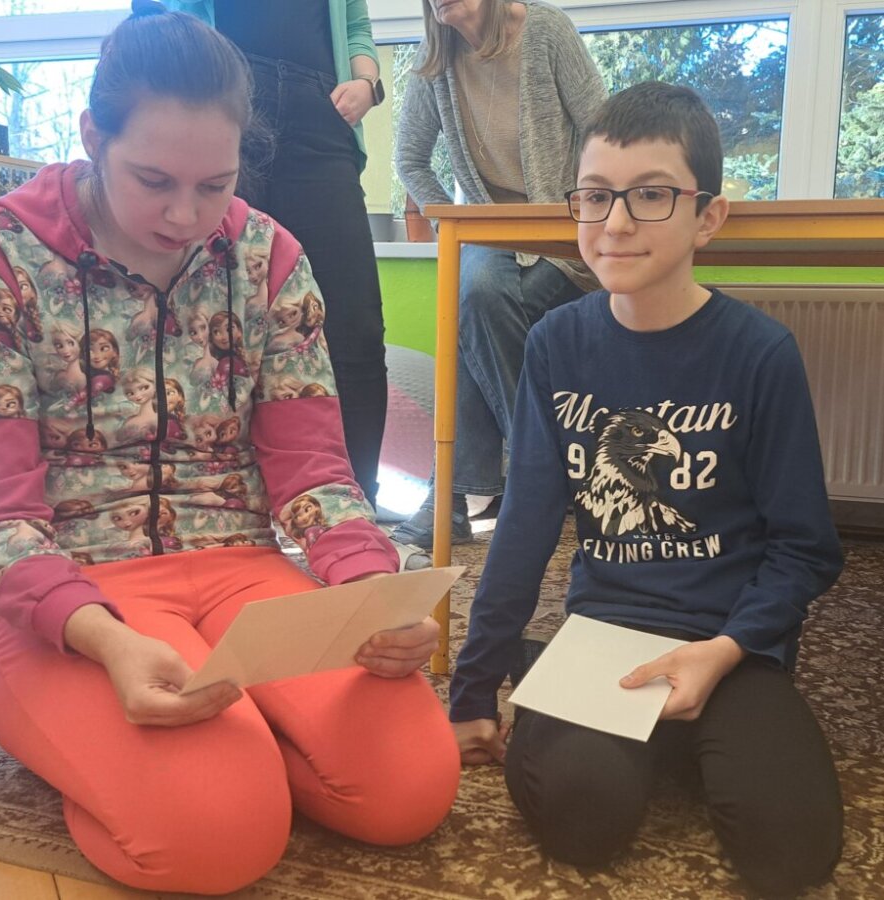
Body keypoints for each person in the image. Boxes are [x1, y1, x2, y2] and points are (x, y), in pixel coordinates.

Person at [0, 4, 459, 894]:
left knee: (410, 790)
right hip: (73, 598)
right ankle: (161, 752)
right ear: (92, 137)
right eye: (153, 180)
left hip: (242, 572)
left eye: (215, 184)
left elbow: (314, 472)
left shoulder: (267, 256)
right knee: (217, 838)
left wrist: (369, 590)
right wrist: (104, 642)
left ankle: (235, 745)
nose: (186, 215)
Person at [447, 81, 844, 897]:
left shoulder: (759, 353)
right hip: (605, 639)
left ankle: (683, 736)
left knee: (792, 853)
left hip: (729, 643)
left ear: (708, 216)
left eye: (651, 195)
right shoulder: (556, 344)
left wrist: (726, 652)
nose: (616, 222)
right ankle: (562, 692)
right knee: (581, 821)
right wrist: (472, 685)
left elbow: (804, 548)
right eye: (595, 196)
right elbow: (523, 526)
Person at [392, 0, 607, 548]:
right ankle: (548, 472)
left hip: (564, 235)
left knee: (473, 301)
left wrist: (590, 213)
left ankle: (453, 497)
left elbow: (603, 133)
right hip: (490, 234)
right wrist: (452, 221)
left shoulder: (545, 30)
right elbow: (409, 160)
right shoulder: (434, 60)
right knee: (477, 291)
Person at [170, 0, 388, 510]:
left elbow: (355, 24)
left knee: (355, 329)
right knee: (214, 319)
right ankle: (220, 504)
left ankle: (356, 508)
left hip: (322, 118)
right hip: (230, 103)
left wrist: (367, 84)